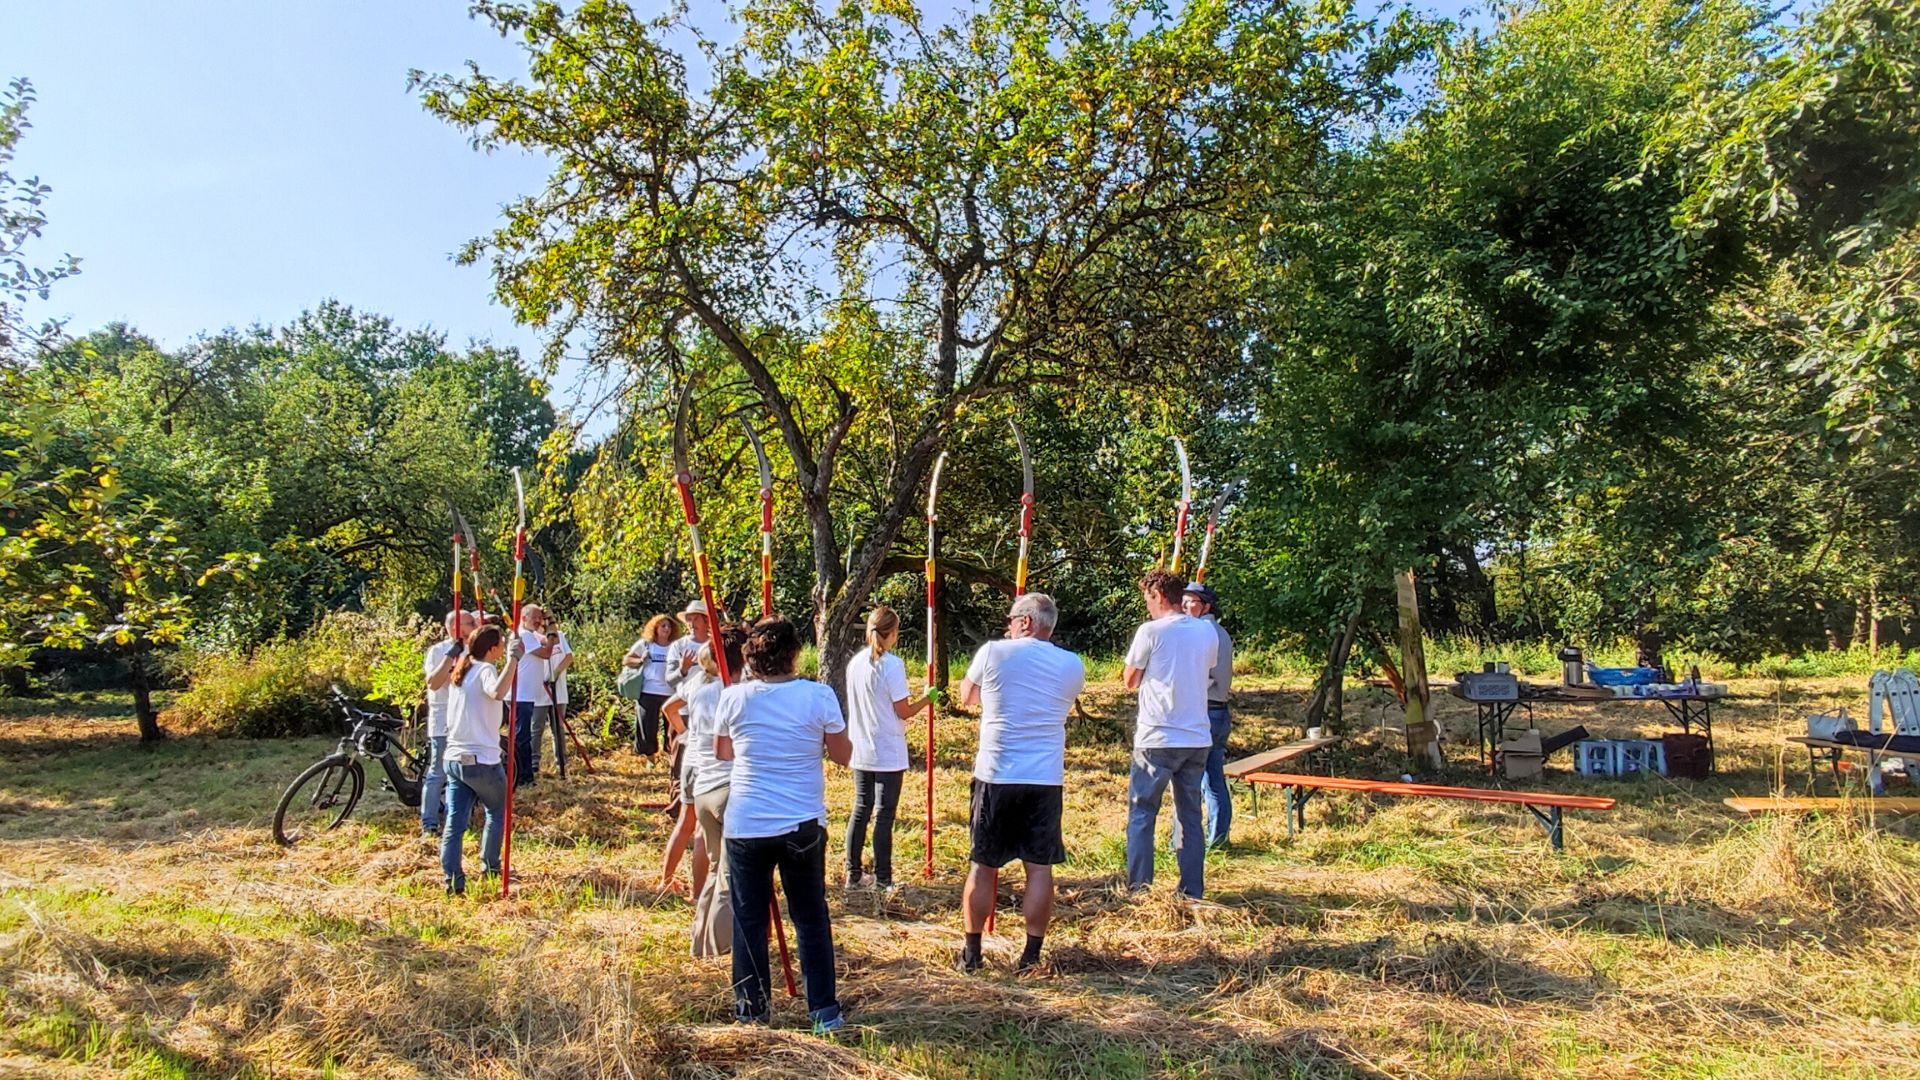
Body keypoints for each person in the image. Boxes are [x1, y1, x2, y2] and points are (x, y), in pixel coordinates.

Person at [715, 618, 852, 1032]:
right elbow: (842, 755)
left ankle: (752, 1011)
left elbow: (724, 752)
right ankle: (824, 1012)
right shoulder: (818, 695)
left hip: (747, 822)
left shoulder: (733, 698)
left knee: (749, 921)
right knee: (810, 918)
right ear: (795, 653)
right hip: (800, 822)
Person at [955, 592, 1085, 973]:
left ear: (1025, 622)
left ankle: (972, 953)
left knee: (983, 865)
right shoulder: (1072, 664)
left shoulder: (994, 653)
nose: (1008, 626)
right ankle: (1030, 957)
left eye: (1011, 619)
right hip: (1044, 778)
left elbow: (967, 697)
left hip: (996, 773)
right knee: (1040, 869)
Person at [1122, 569, 1218, 899]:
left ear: (1159, 597)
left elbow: (1130, 679)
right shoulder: (1207, 632)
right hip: (1196, 736)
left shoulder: (1150, 631)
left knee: (1142, 813)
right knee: (1190, 815)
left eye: (1148, 600)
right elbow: (1205, 668)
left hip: (1158, 736)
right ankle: (1191, 890)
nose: (1147, 607)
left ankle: (1139, 889)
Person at [842, 606, 940, 890]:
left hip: (861, 746)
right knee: (883, 815)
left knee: (861, 810)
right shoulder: (892, 665)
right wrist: (927, 699)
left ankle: (853, 873)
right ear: (893, 633)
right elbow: (904, 711)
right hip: (886, 749)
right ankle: (883, 878)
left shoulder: (855, 663)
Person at [441, 624, 520, 894]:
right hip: (481, 759)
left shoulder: (462, 670)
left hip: (454, 758)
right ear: (492, 648)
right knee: (497, 811)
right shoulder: (486, 669)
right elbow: (497, 692)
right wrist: (513, 660)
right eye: (501, 644)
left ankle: (452, 880)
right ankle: (491, 868)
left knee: (455, 822)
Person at [686, 627, 746, 957]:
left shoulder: (700, 690)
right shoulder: (734, 693)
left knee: (715, 869)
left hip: (704, 789)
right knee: (729, 875)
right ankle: (722, 948)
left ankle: (700, 942)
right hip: (727, 787)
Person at [1182, 582, 1234, 848]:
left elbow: (1197, 675)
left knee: (1189, 780)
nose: (1184, 606)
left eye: (1190, 601)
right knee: (1213, 779)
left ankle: (1188, 840)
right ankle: (1218, 838)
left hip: (1204, 712)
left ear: (1206, 606)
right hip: (1218, 712)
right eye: (1183, 600)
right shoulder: (1219, 632)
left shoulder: (1201, 632)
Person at [421, 610, 477, 838]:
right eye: (470, 623)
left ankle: (460, 819)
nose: (475, 625)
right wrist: (450, 657)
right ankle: (429, 824)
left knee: (467, 770)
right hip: (443, 721)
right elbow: (433, 683)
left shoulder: (475, 651)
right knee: (438, 772)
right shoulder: (437, 651)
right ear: (456, 627)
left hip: (467, 722)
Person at [510, 603, 560, 787]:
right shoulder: (524, 635)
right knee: (522, 739)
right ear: (524, 618)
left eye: (540, 617)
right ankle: (523, 777)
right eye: (534, 617)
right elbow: (547, 652)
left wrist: (551, 621)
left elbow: (554, 640)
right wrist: (550, 634)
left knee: (523, 737)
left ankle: (524, 775)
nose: (538, 621)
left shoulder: (531, 635)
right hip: (520, 695)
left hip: (527, 695)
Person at [623, 614, 679, 758]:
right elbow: (626, 660)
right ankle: (649, 758)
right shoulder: (645, 644)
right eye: (663, 626)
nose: (666, 629)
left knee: (672, 727)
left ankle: (671, 756)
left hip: (670, 692)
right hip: (648, 691)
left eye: (669, 626)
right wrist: (640, 660)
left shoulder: (676, 646)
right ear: (655, 628)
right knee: (647, 726)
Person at [535, 614, 574, 779]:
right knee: (536, 728)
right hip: (539, 692)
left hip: (558, 690)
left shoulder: (560, 636)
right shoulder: (532, 638)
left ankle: (562, 763)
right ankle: (534, 764)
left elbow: (569, 657)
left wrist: (556, 673)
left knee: (558, 727)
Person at [666, 600, 712, 692]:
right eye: (689, 619)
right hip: (687, 699)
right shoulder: (678, 646)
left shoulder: (716, 644)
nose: (692, 624)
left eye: (696, 619)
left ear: (707, 621)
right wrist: (682, 670)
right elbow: (670, 681)